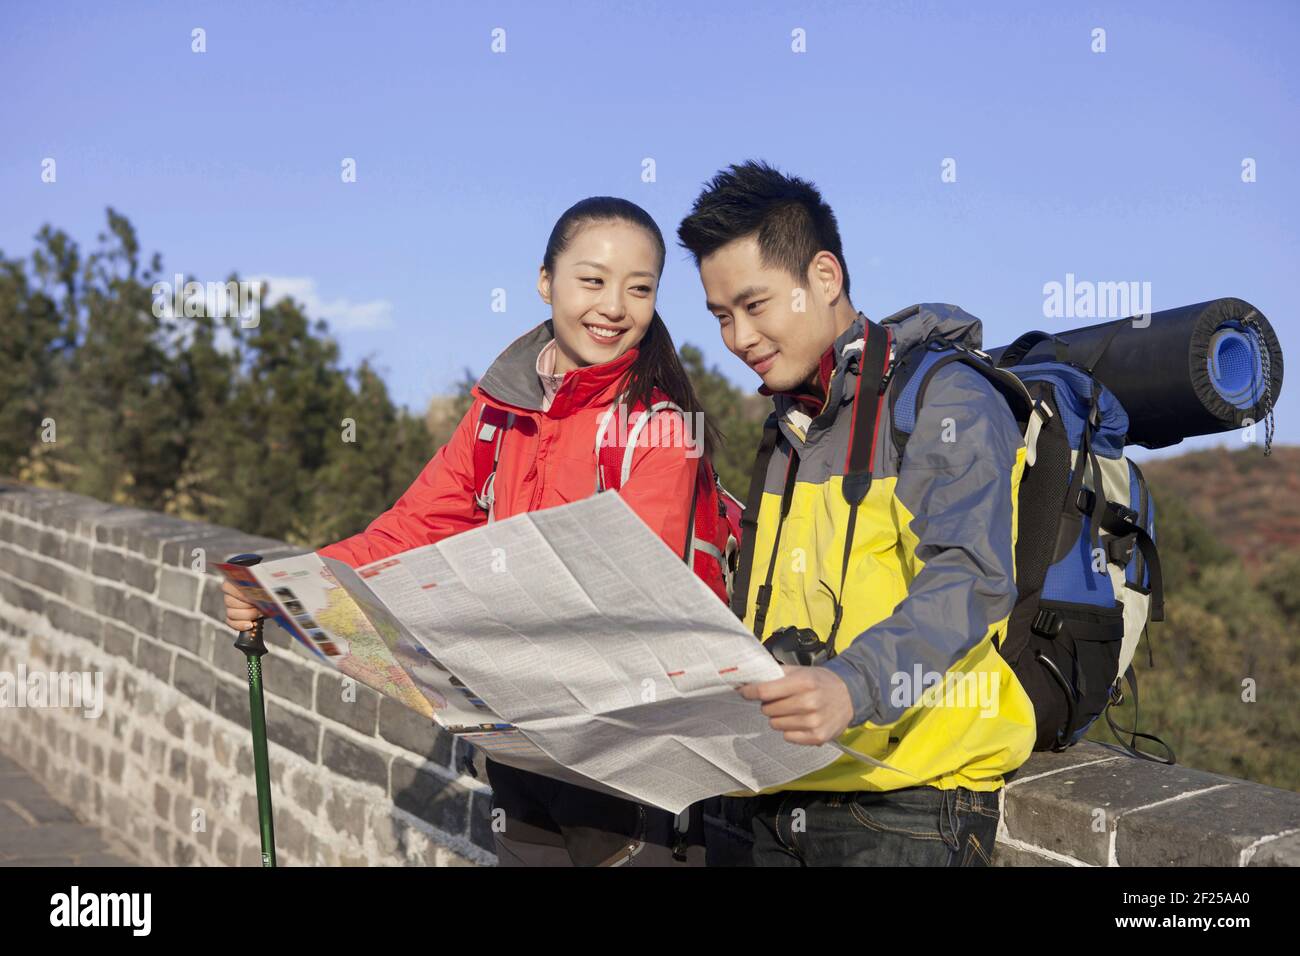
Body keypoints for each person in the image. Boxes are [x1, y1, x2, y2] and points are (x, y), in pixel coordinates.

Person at [223, 196, 725, 866]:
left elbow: (640, 592)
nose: (614, 307)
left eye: (639, 289)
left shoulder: (659, 430)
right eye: (592, 280)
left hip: (625, 759)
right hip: (522, 747)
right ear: (545, 281)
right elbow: (415, 524)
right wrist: (288, 586)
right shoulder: (500, 416)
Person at [677, 161, 1037, 866]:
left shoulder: (947, 398)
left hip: (907, 807)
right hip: (778, 794)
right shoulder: (790, 426)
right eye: (721, 316)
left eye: (755, 306)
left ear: (825, 278)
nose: (738, 337)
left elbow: (971, 577)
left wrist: (854, 684)